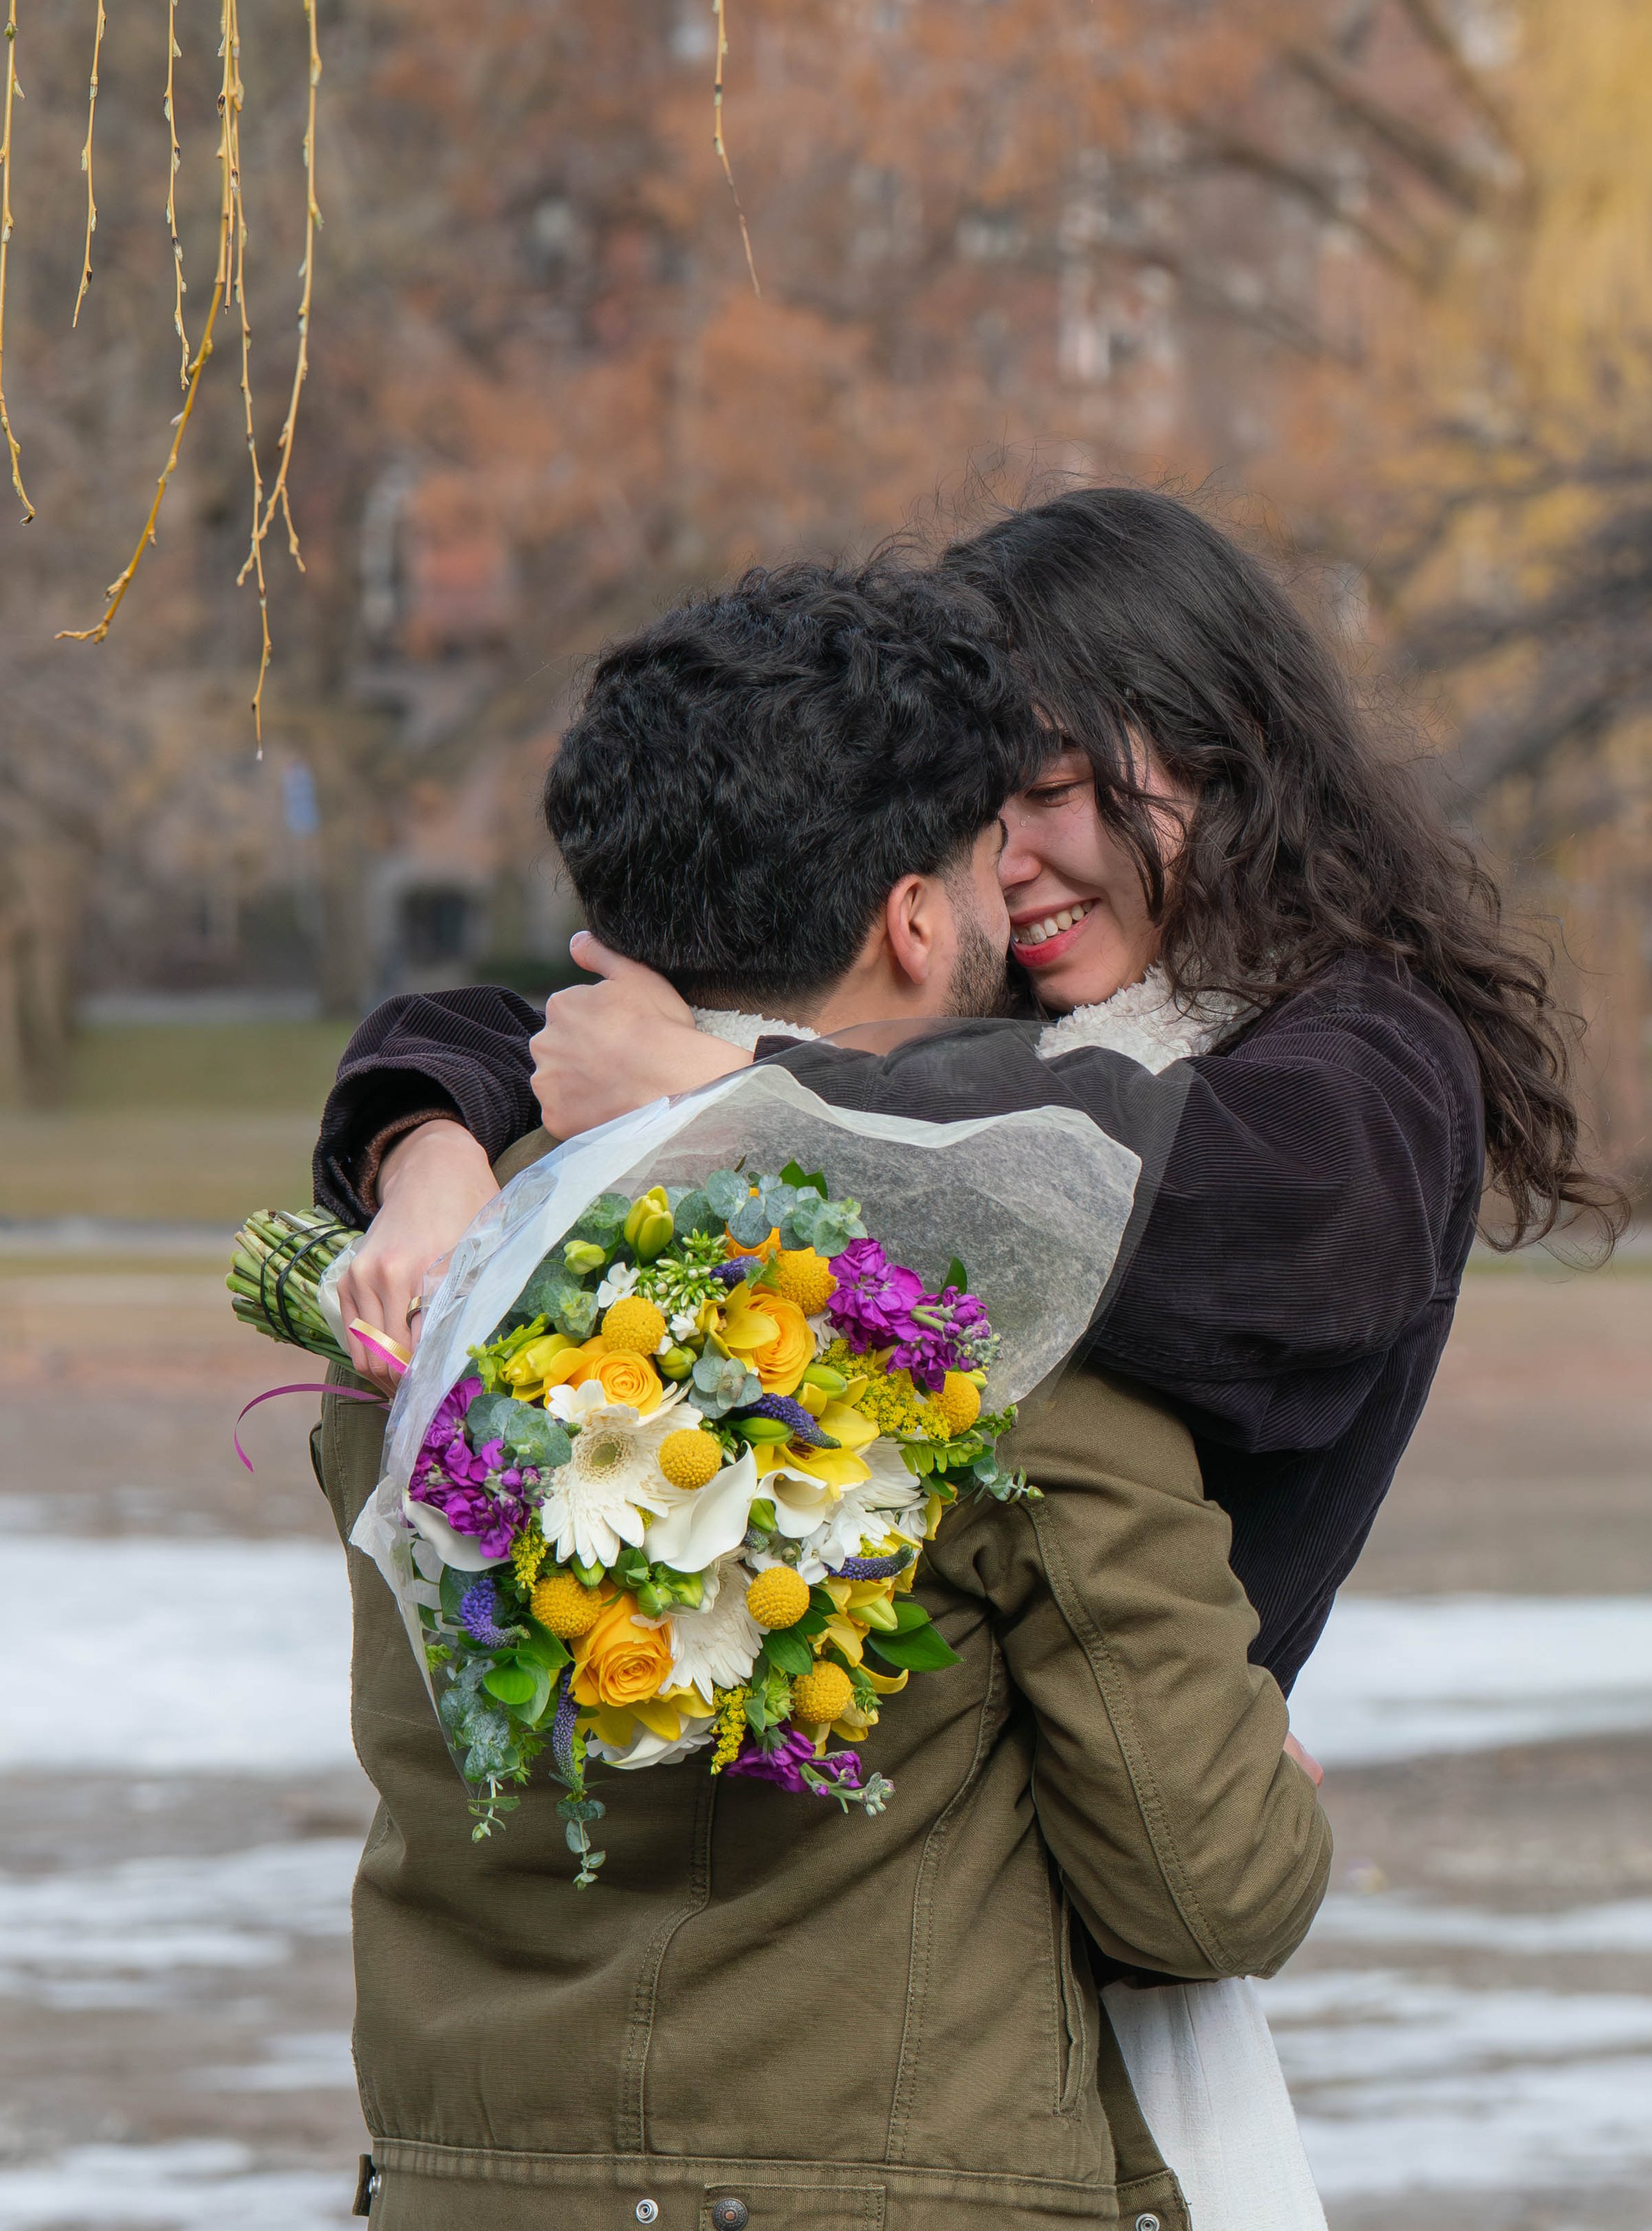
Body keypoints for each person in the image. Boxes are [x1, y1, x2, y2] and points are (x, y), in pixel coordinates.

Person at [312, 560, 1330, 2230]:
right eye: (978, 855)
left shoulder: (445, 1253)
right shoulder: (979, 1290)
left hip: (460, 2181)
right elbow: (1199, 1878)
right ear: (917, 920)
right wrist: (1277, 1801)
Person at [322, 489, 1619, 1698]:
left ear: (1235, 751)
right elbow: (542, 1023)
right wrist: (428, 1150)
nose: (1009, 865)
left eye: (1055, 791)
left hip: (1122, 1819)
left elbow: (1226, 1218)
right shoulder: (1020, 1006)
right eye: (976, 815)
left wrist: (748, 1091)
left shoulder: (1365, 1052)